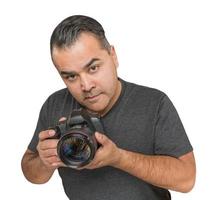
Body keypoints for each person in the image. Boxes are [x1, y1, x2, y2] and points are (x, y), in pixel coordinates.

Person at [21, 15, 196, 200]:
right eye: (71, 77)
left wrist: (119, 158)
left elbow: (186, 180)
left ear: (113, 56)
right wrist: (45, 161)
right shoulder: (55, 105)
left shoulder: (154, 103)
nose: (86, 85)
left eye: (93, 68)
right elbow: (31, 172)